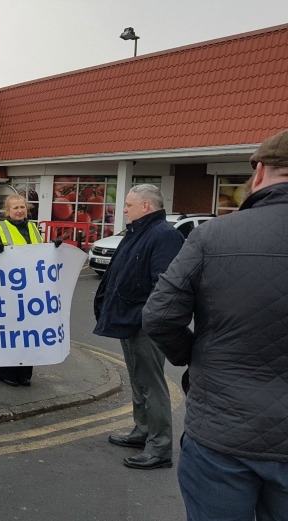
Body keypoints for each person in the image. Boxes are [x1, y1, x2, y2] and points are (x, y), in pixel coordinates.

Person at [143, 129, 288, 519]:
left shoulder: (213, 235)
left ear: (258, 173)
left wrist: (197, 358)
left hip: (223, 433)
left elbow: (159, 316)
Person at [93, 184, 184, 470]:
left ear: (145, 206)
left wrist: (148, 318)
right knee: (138, 380)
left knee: (151, 384)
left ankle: (159, 448)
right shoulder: (138, 232)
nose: (124, 209)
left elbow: (165, 286)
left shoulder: (164, 236)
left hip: (144, 324)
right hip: (128, 320)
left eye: (129, 205)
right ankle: (142, 431)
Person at [0, 193, 60, 386]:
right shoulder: (0, 228)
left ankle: (25, 373)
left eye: (22, 207)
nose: (19, 211)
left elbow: (40, 253)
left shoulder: (33, 227)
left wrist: (53, 248)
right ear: (7, 211)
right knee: (10, 332)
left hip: (31, 289)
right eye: (15, 208)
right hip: (8, 290)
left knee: (29, 332)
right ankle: (6, 372)